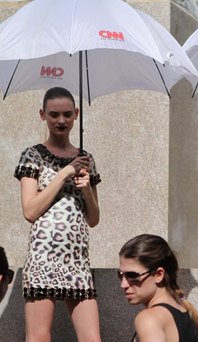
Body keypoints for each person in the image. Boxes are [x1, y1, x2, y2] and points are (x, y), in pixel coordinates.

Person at [14, 87, 101, 341]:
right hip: (43, 257)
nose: (61, 120)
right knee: (39, 337)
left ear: (76, 114)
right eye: (54, 114)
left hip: (77, 259)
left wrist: (86, 190)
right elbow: (30, 211)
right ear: (43, 115)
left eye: (66, 114)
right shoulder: (33, 155)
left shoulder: (86, 159)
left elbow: (94, 220)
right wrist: (64, 173)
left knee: (92, 338)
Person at [118, 234, 198, 342]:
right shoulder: (188, 316)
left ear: (159, 275)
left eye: (132, 275)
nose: (123, 284)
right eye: (120, 275)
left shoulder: (149, 319)